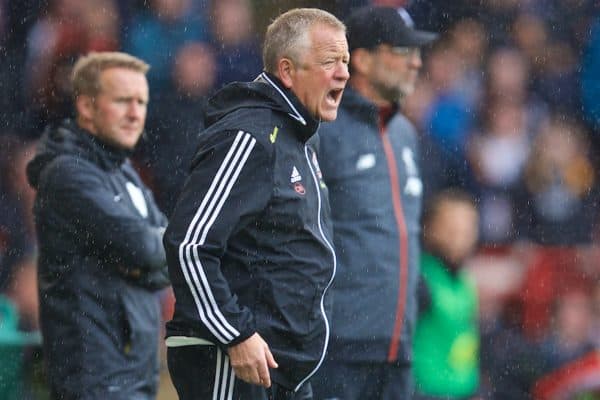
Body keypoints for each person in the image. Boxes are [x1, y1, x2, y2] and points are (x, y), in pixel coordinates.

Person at [163, 8, 349, 400]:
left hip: (280, 367)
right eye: (330, 61)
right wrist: (235, 334)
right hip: (233, 359)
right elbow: (190, 244)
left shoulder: (300, 142)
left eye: (345, 62)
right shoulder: (249, 136)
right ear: (287, 71)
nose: (344, 73)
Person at [26, 52, 169, 399]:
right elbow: (150, 249)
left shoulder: (122, 170)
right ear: (87, 107)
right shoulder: (69, 175)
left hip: (132, 372)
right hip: (96, 380)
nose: (136, 114)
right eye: (123, 101)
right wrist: (147, 260)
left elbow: (164, 256)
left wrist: (147, 260)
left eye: (142, 102)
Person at [310, 6, 437, 399]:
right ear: (361, 59)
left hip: (399, 346)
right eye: (403, 51)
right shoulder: (321, 129)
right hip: (339, 348)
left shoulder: (405, 135)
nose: (416, 63)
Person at [413, 189, 480, 400]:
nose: (461, 238)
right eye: (452, 229)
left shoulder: (464, 280)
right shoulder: (420, 279)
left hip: (463, 390)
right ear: (430, 229)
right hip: (428, 392)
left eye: (468, 229)